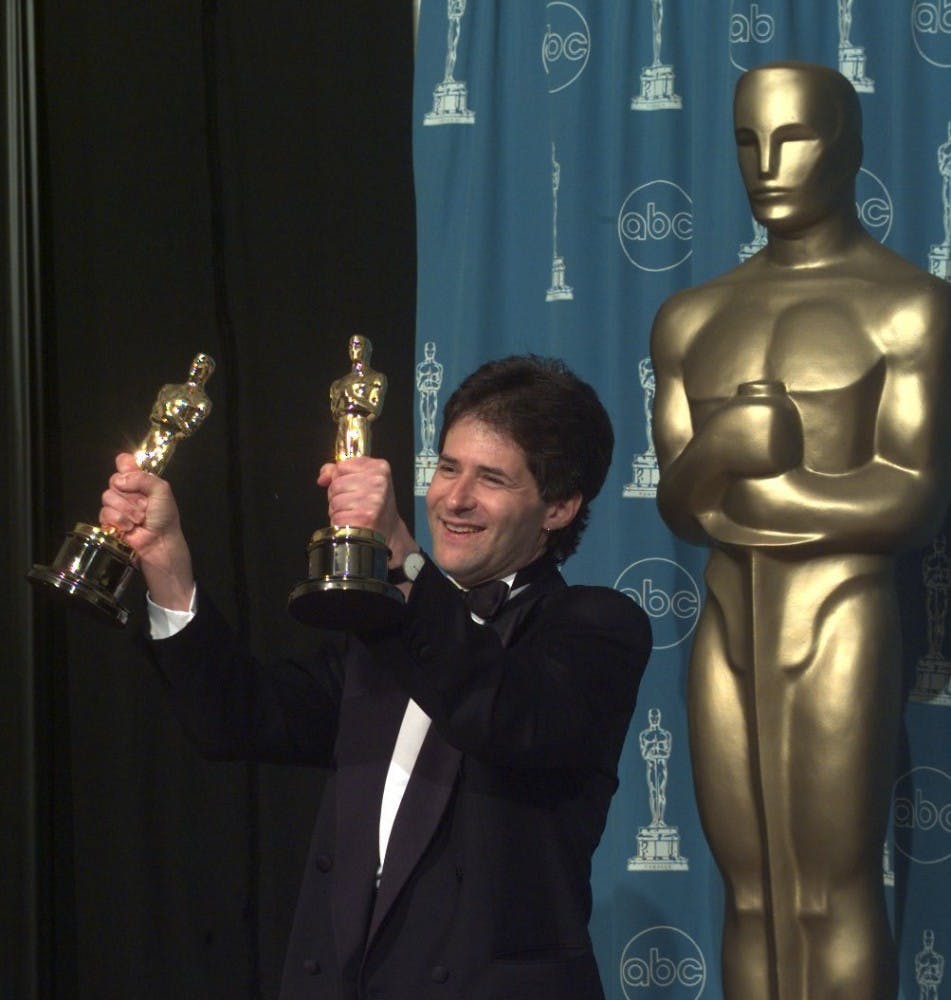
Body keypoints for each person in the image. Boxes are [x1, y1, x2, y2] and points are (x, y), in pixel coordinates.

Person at [101, 354, 652, 999]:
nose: (455, 499)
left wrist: (404, 557)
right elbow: (236, 717)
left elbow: (497, 713)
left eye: (492, 478)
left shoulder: (596, 628)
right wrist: (167, 565)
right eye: (448, 467)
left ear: (558, 508)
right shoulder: (388, 636)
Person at [650, 62, 951, 999]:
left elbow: (912, 497)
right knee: (748, 896)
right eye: (747, 142)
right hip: (726, 619)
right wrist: (723, 448)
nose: (766, 166)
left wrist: (767, 489)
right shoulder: (690, 317)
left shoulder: (908, 306)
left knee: (829, 893)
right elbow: (679, 503)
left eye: (793, 139)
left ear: (848, 147)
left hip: (840, 612)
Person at [329, 334, 387, 461]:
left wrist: (353, 398)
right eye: (350, 346)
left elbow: (375, 409)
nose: (353, 349)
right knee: (341, 465)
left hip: (360, 423)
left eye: (357, 345)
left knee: (359, 464)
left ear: (367, 350)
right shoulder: (339, 383)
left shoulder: (375, 377)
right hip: (343, 425)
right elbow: (335, 412)